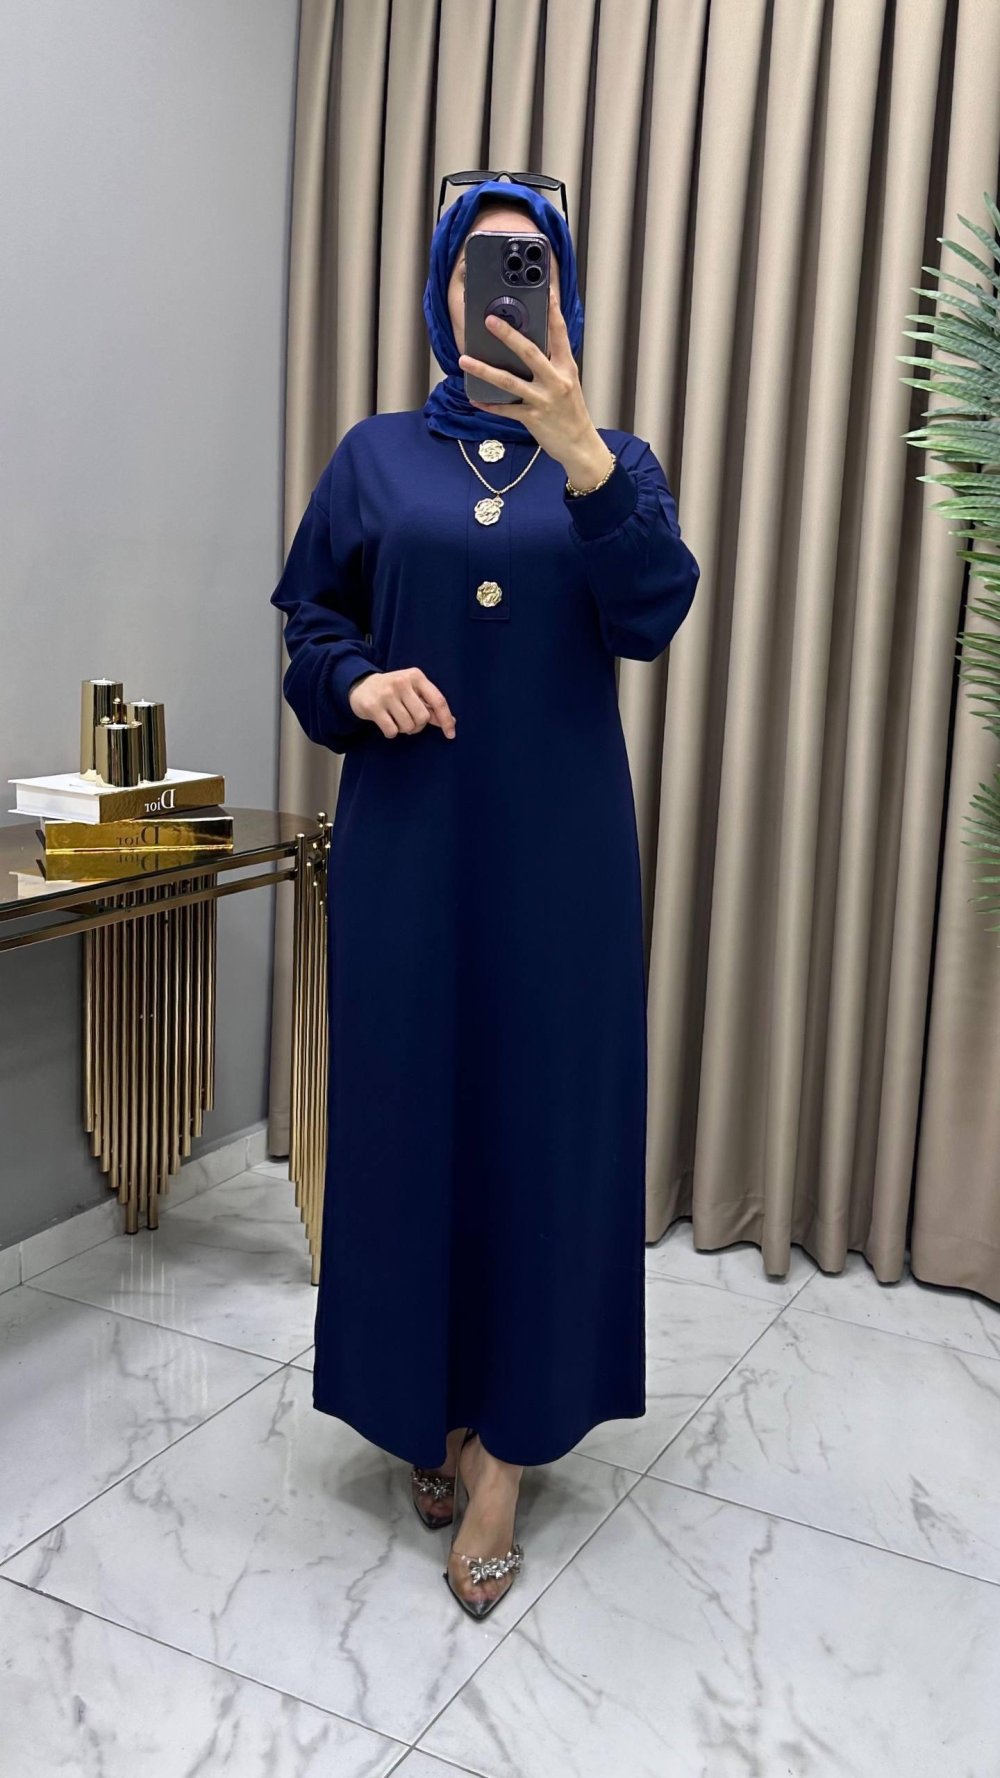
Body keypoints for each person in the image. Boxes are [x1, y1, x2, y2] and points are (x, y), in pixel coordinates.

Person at [270, 176, 700, 1619]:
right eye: (481, 267)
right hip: (408, 842)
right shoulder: (375, 457)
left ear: (561, 297)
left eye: (532, 269)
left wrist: (583, 456)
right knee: (413, 1116)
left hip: (561, 861)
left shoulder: (614, 462)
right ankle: (428, 1402)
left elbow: (651, 611)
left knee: (545, 1129)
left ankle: (507, 1452)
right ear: (443, 291)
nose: (505, 291)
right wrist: (354, 682)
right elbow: (310, 625)